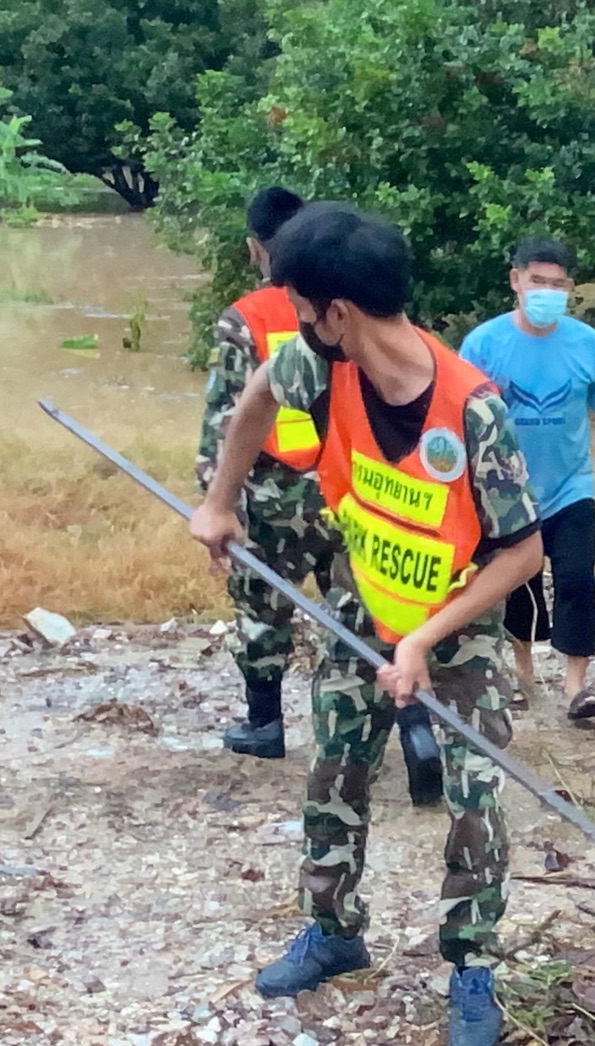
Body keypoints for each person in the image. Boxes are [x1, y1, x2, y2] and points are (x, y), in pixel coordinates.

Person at [191, 203, 546, 1046]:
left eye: (306, 310)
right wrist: (219, 500)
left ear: (339, 312)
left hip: (457, 630)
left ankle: (472, 967)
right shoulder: (320, 368)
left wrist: (424, 642)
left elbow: (524, 551)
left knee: (474, 798)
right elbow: (255, 400)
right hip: (359, 608)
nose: (301, 326)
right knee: (335, 772)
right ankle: (333, 928)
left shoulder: (471, 410)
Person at [196, 185, 444, 804]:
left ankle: (266, 723)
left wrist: (215, 498)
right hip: (348, 491)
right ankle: (415, 729)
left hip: (274, 493)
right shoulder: (357, 300)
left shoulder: (248, 315)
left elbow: (229, 414)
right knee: (375, 612)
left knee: (261, 611)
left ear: (257, 249)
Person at [459, 237, 595, 720]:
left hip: (571, 486)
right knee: (518, 585)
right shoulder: (483, 344)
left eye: (558, 284)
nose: (547, 291)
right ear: (516, 280)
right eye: (538, 281)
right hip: (506, 492)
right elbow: (458, 417)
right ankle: (522, 675)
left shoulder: (586, 344)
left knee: (578, 579)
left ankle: (576, 685)